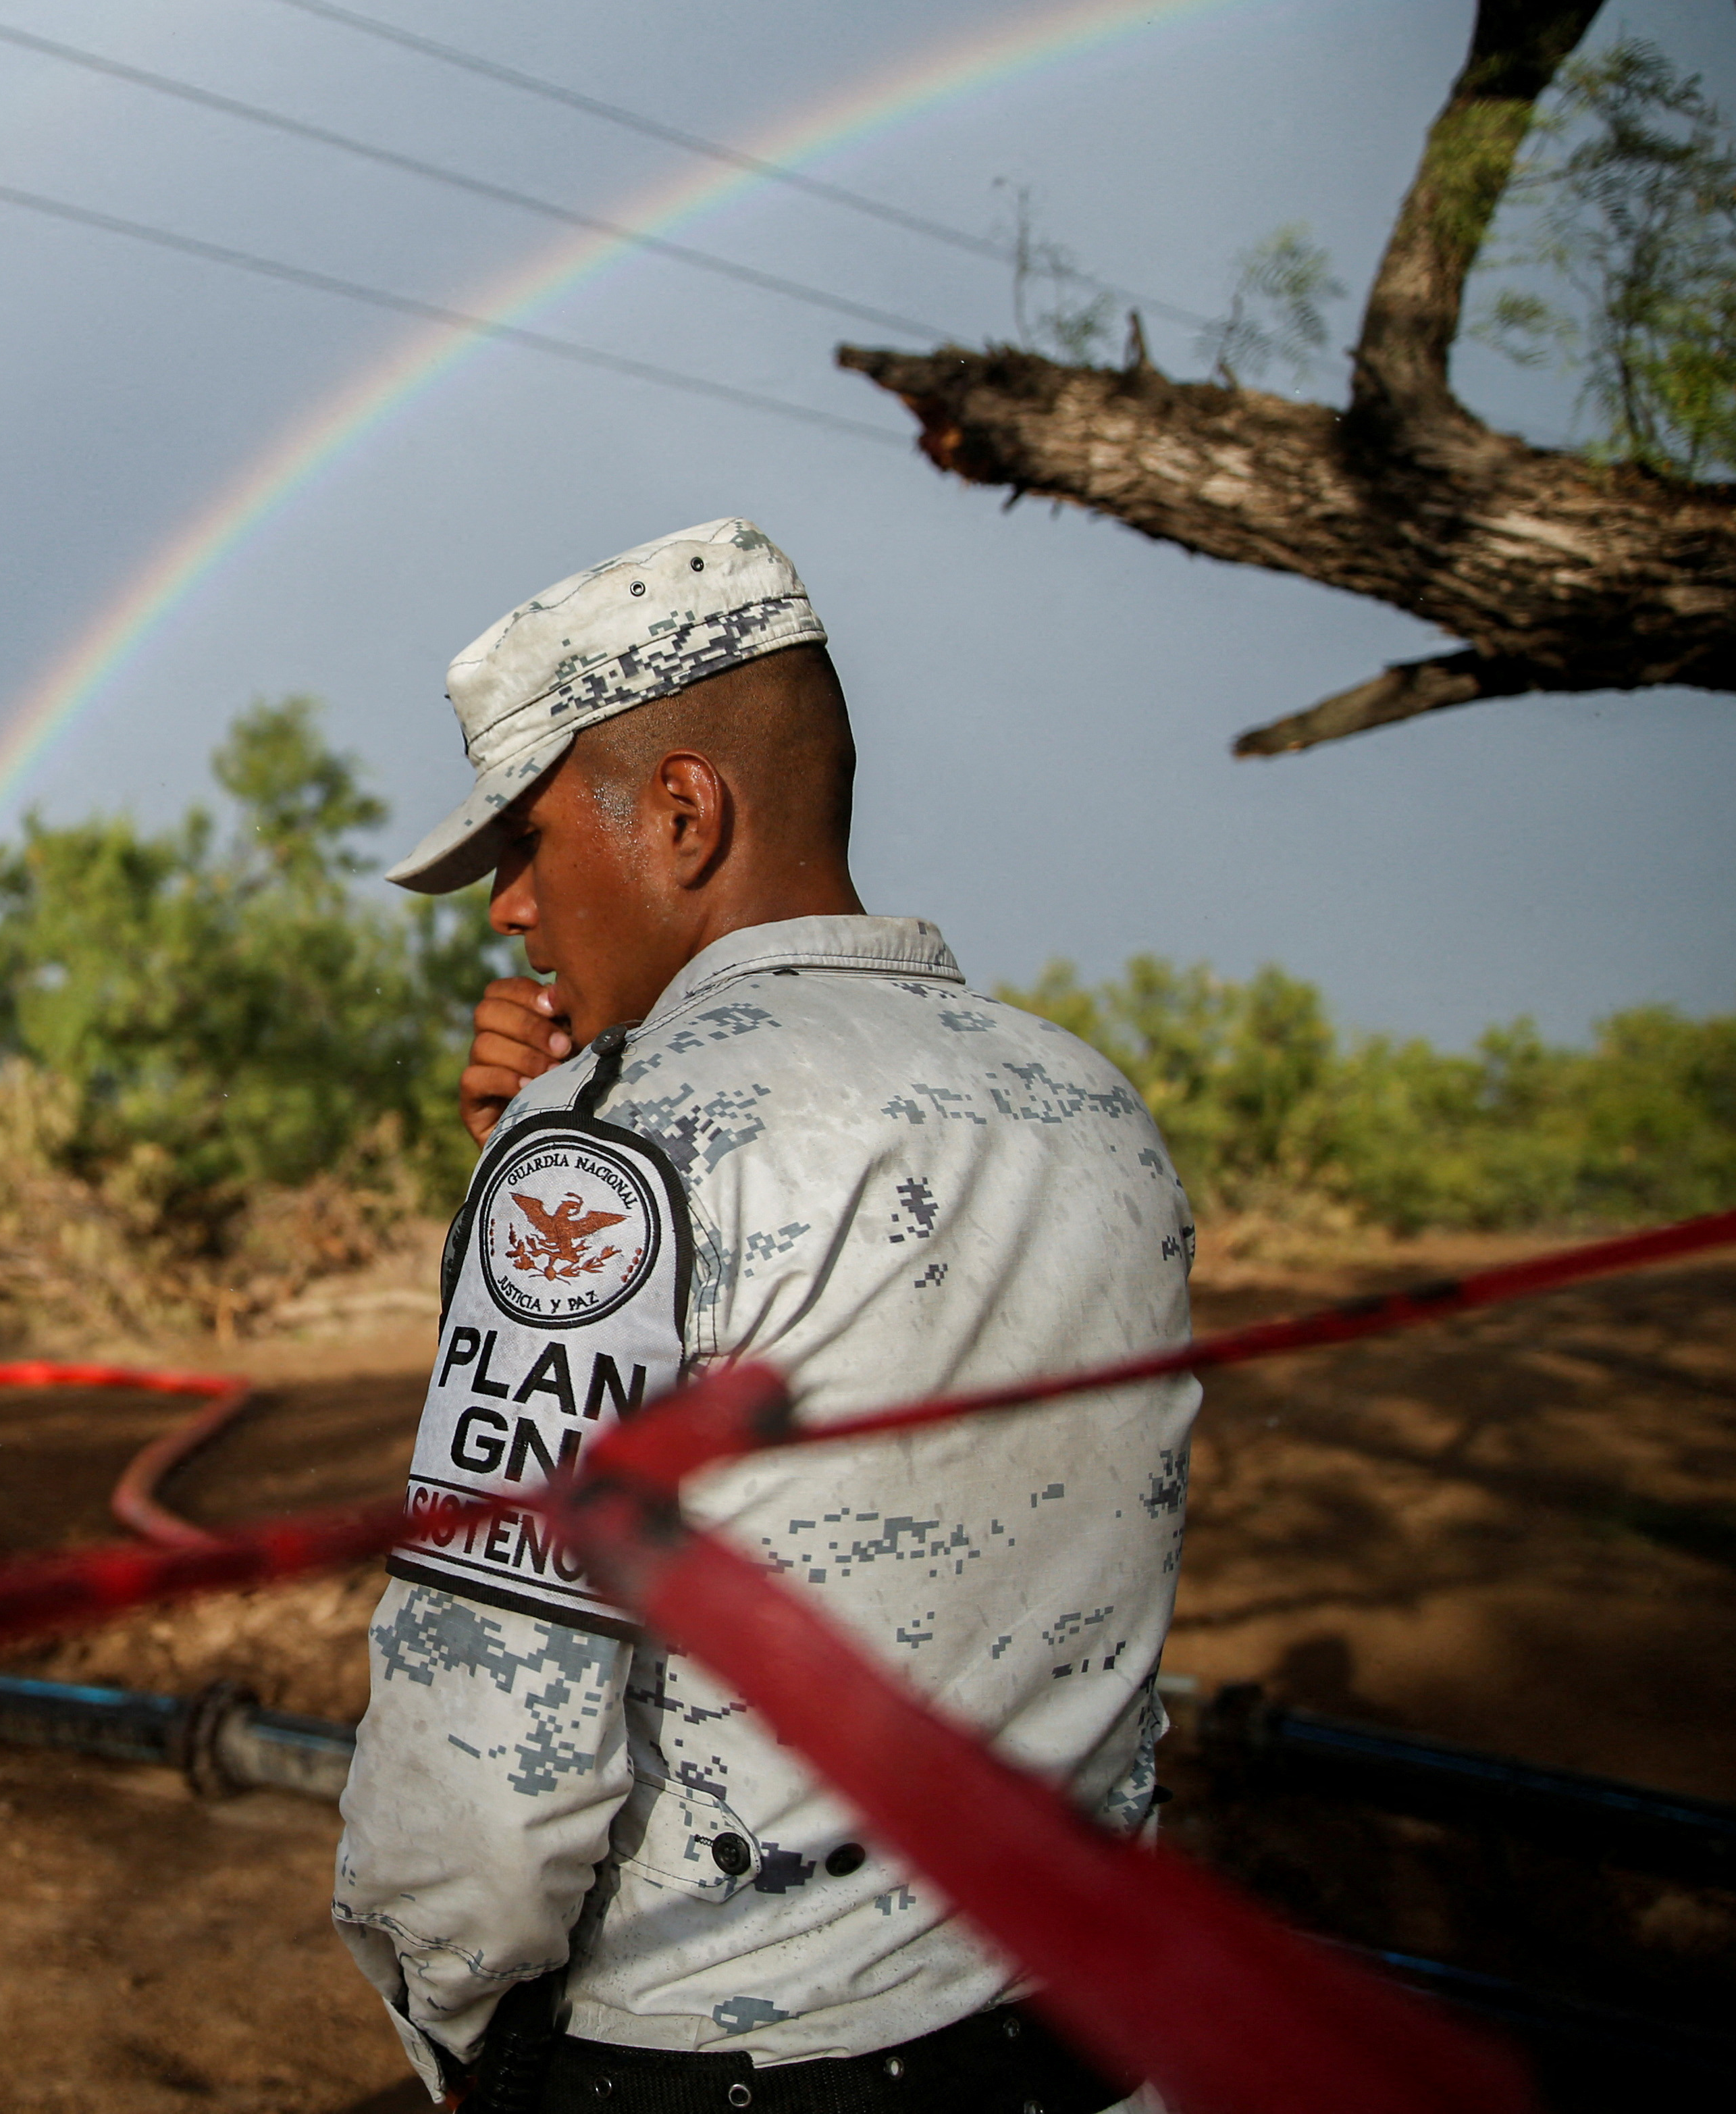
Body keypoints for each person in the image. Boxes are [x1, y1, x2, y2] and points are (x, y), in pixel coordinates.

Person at [332, 518, 1196, 2113]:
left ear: (681, 811)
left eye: (524, 841)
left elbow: (484, 1775)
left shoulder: (617, 1140)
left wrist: (449, 2014)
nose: (508, 910)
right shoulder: (1086, 1100)